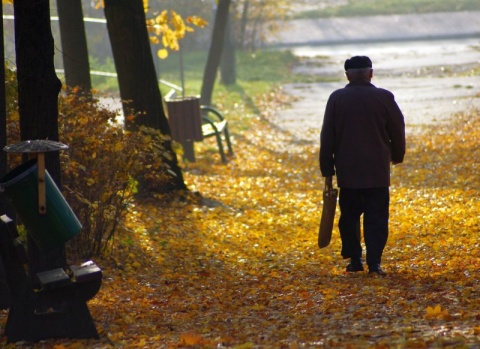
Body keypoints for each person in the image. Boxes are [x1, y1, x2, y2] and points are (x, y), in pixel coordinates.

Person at [319, 56, 406, 275]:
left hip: (348, 172)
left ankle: (355, 259)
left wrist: (327, 169)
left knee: (349, 216)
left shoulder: (337, 98)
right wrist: (398, 155)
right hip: (376, 171)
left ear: (347, 75)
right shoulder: (384, 97)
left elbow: (327, 135)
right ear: (371, 73)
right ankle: (375, 263)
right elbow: (397, 129)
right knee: (376, 216)